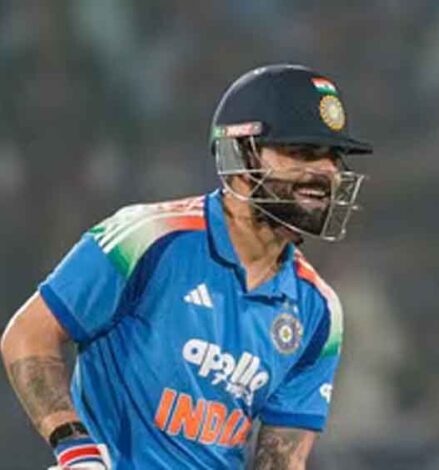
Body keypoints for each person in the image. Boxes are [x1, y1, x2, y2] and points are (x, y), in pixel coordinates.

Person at [1, 64, 372, 469]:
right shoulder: (148, 238)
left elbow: (282, 459)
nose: (326, 172)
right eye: (302, 153)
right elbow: (28, 336)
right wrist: (78, 453)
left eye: (334, 157)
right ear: (239, 154)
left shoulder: (319, 309)